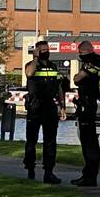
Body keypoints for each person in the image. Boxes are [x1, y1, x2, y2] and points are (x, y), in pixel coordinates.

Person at [23, 40, 66, 184]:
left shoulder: (53, 66)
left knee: (50, 141)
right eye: (42, 50)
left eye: (47, 49)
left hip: (50, 107)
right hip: (35, 106)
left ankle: (49, 172)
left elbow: (59, 87)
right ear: (37, 51)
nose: (46, 52)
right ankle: (30, 168)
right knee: (32, 141)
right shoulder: (31, 65)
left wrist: (62, 105)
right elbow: (29, 74)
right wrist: (35, 58)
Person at [72, 40, 100, 187]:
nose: (80, 56)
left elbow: (77, 78)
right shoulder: (98, 62)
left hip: (88, 105)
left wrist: (77, 76)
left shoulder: (92, 63)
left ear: (87, 51)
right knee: (88, 141)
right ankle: (88, 175)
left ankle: (90, 176)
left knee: (88, 142)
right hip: (88, 104)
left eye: (81, 53)